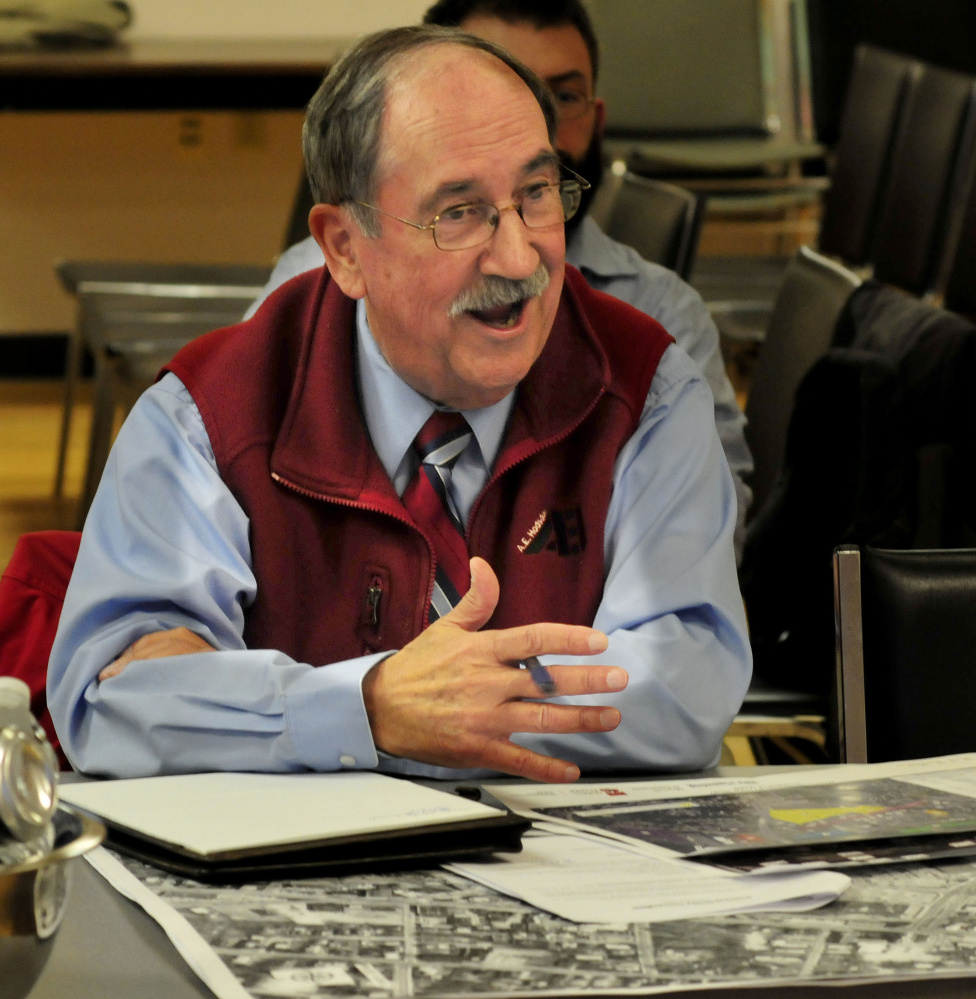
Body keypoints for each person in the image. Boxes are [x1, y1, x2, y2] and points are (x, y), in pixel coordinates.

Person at [48, 26, 750, 782]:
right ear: (346, 247)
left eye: (536, 195)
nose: (520, 258)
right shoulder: (213, 411)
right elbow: (110, 693)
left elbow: (687, 682)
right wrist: (372, 706)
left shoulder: (643, 388)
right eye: (459, 212)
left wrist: (417, 716)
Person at [246, 0, 753, 558]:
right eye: (459, 211)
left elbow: (702, 555)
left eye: (562, 96)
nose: (531, 120)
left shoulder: (658, 336)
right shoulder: (304, 302)